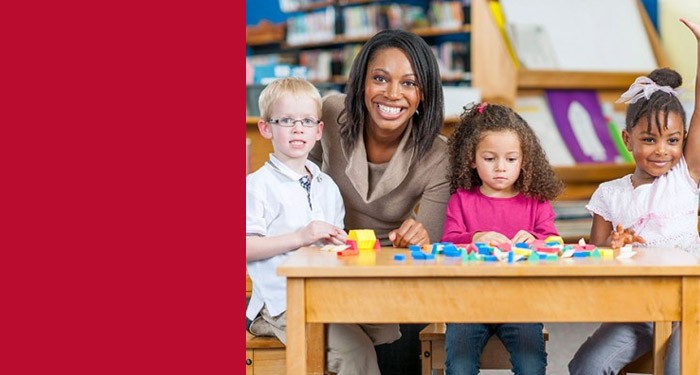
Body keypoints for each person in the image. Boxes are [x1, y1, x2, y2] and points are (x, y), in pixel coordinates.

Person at [309, 29, 450, 374]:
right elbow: (298, 182)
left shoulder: (438, 153)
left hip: (391, 267)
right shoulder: (329, 113)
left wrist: (418, 240)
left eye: (409, 83)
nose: (392, 94)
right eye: (380, 78)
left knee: (400, 336)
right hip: (326, 259)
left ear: (425, 93)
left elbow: (429, 248)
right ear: (360, 83)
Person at [569, 18, 700, 375]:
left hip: (692, 308)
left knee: (679, 369)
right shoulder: (609, 194)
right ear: (627, 140)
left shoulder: (684, 176)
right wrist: (612, 247)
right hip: (639, 311)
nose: (662, 150)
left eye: (673, 140)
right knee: (585, 367)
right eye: (648, 139)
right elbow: (594, 261)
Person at [441, 102, 563, 375]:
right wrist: (475, 238)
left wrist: (536, 241)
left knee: (531, 365)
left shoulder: (536, 201)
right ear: (472, 159)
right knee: (459, 366)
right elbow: (447, 245)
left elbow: (555, 244)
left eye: (510, 159)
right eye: (489, 158)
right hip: (468, 305)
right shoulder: (461, 200)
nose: (500, 168)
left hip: (521, 303)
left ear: (524, 160)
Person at [245, 77, 357, 372]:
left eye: (307, 121)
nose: (298, 128)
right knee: (355, 352)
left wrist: (340, 244)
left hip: (322, 296)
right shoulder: (257, 186)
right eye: (286, 120)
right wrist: (300, 236)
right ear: (266, 128)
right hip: (279, 303)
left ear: (319, 131)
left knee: (376, 331)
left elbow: (333, 247)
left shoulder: (327, 185)